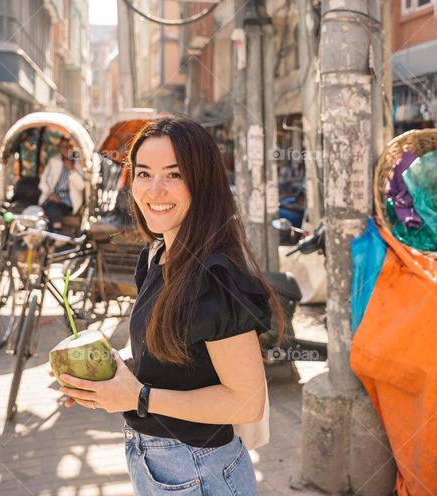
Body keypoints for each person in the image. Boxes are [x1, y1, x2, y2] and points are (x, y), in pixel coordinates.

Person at [51, 116, 285, 495]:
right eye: (143, 174)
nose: (154, 190)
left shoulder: (214, 278)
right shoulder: (157, 257)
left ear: (202, 183)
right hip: (155, 462)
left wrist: (138, 397)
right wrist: (109, 377)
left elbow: (247, 403)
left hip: (200, 469)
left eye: (173, 175)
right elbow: (173, 361)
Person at [38, 136, 85, 229]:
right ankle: (57, 230)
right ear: (60, 148)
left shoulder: (78, 164)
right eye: (64, 147)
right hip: (52, 197)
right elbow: (42, 182)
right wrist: (50, 194)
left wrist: (72, 170)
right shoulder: (54, 161)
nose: (67, 150)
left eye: (69, 147)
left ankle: (57, 230)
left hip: (68, 202)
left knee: (52, 208)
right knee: (50, 205)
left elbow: (81, 186)